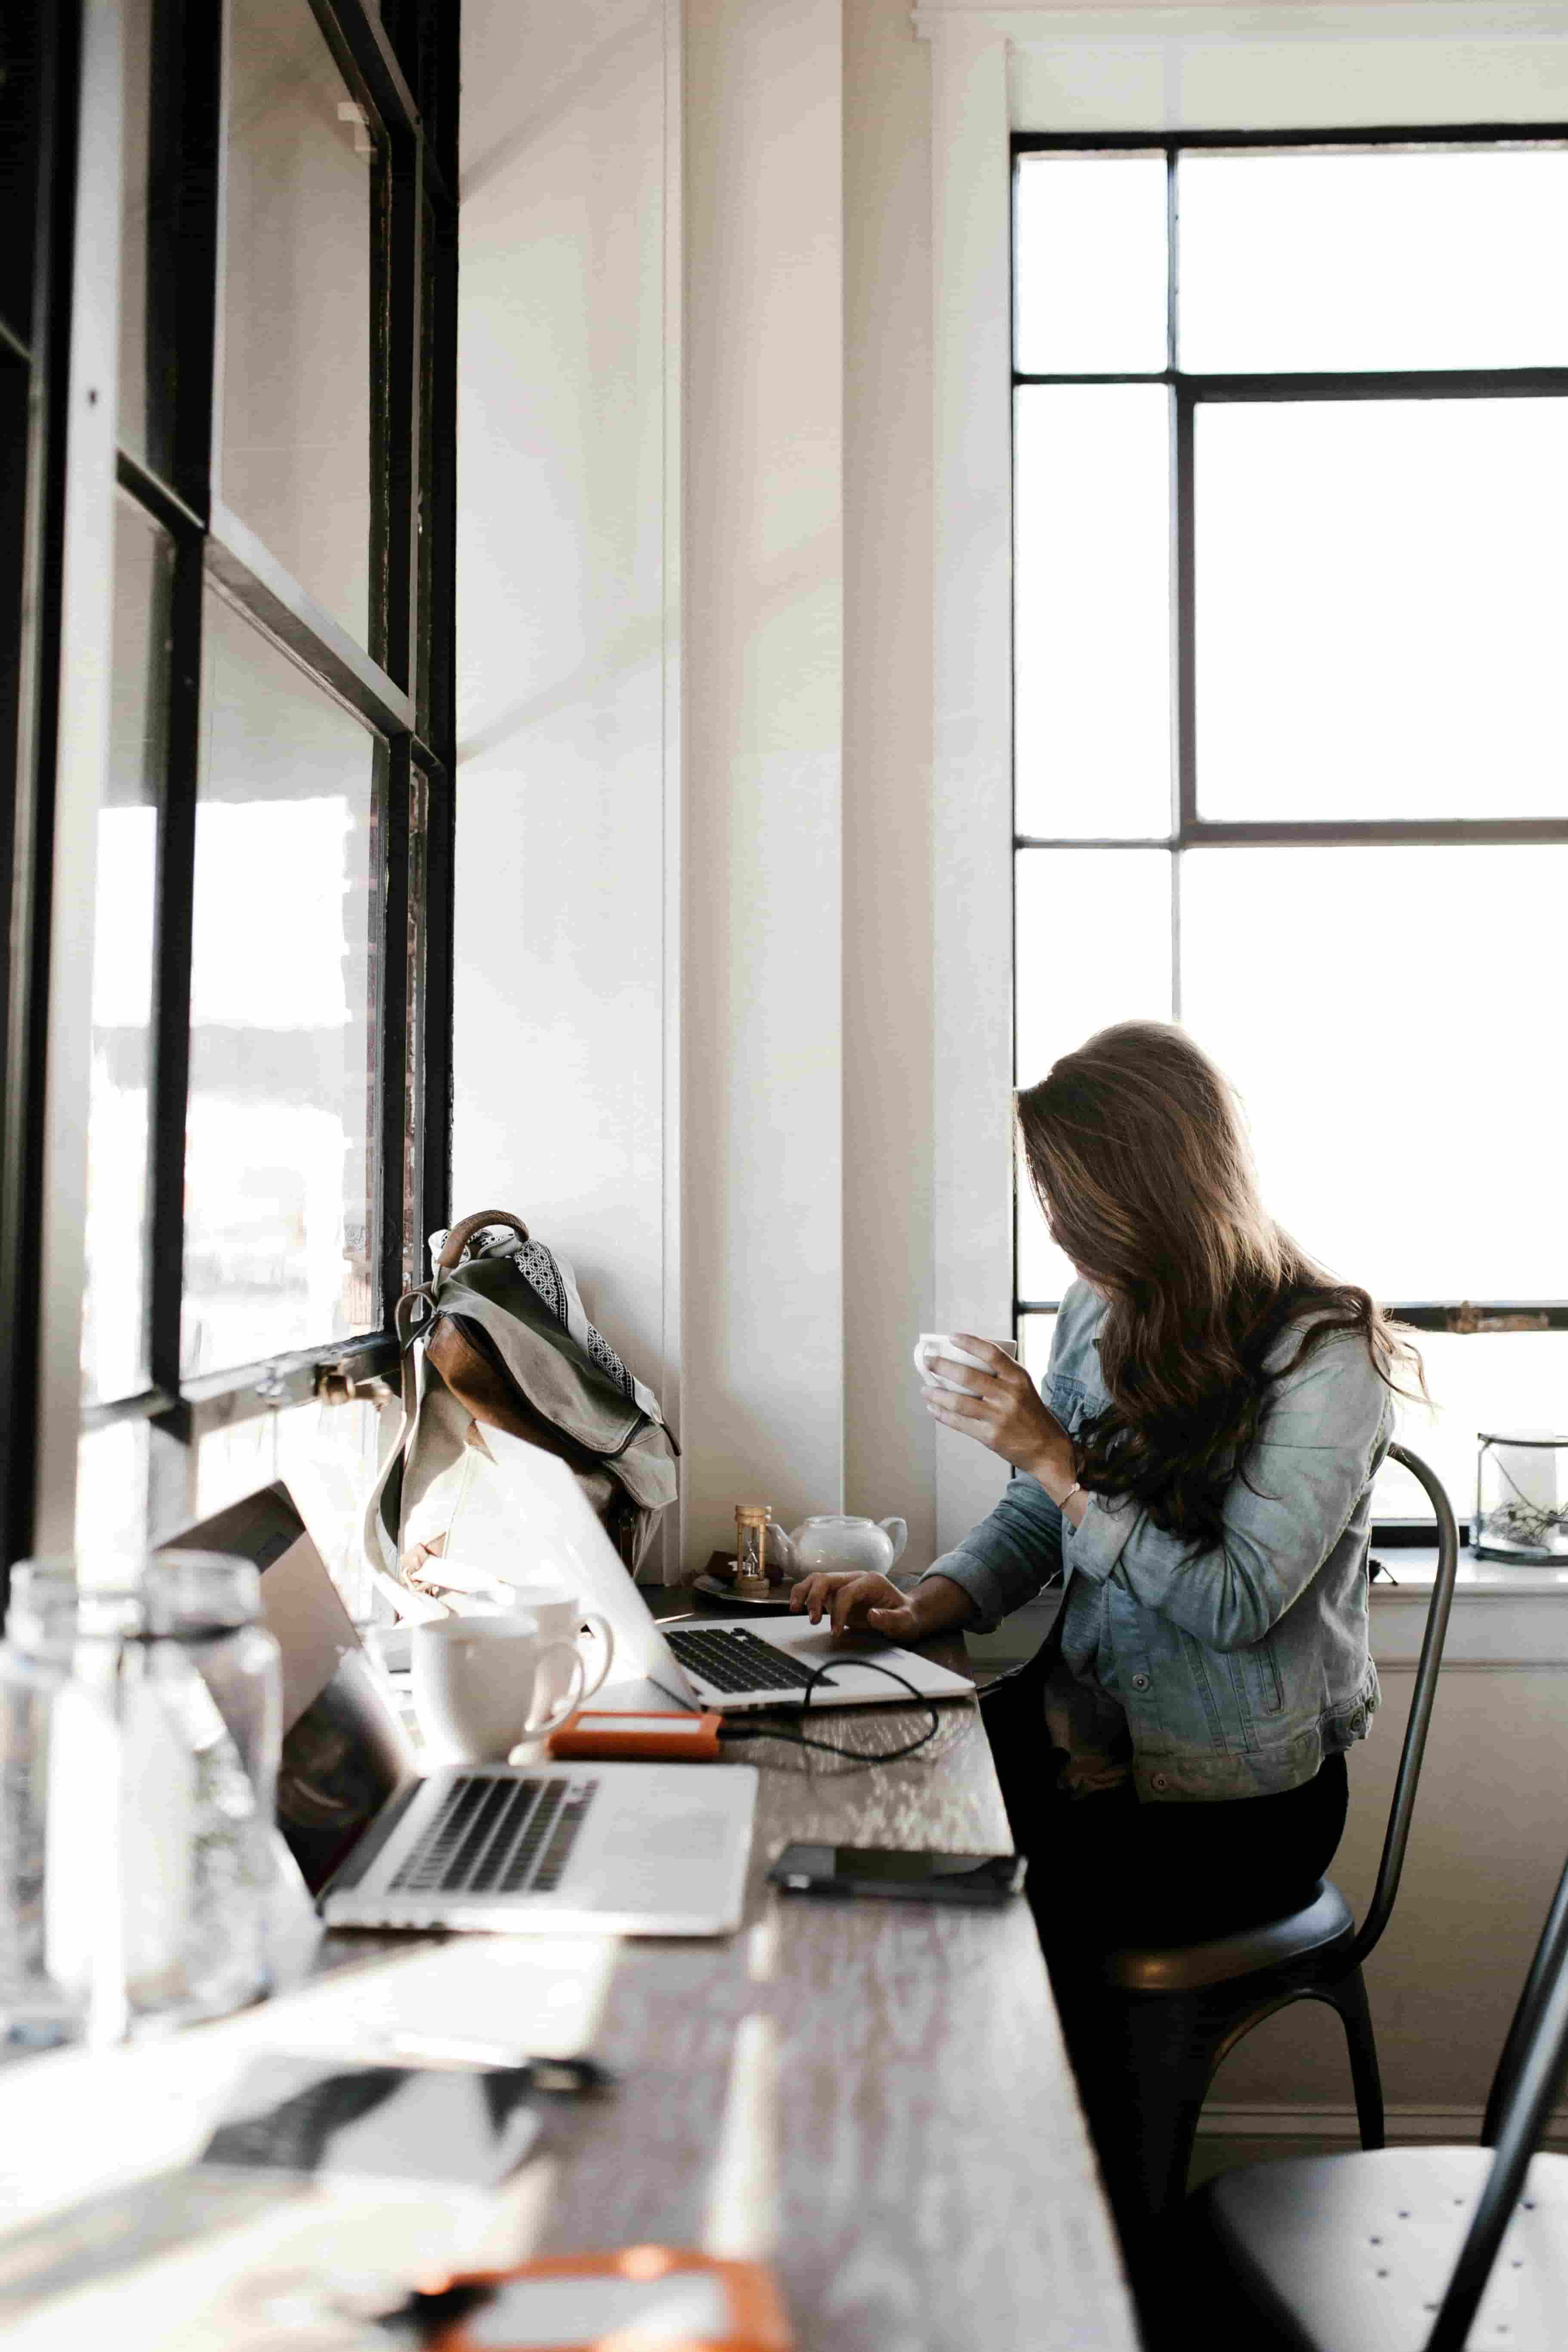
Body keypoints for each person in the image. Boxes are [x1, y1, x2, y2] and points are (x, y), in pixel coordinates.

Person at [789, 1020, 1421, 2260]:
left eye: (1067, 1198)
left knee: (987, 1921)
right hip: (1083, 1745)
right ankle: (898, 2213)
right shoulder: (1100, 1310)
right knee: (843, 1843)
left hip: (1235, 1804)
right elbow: (1040, 1513)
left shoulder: (1325, 1357)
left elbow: (1234, 1601)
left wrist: (1054, 1458)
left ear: (1150, 1191)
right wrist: (931, 1601)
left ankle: (1066, 2253)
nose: (1057, 1228)